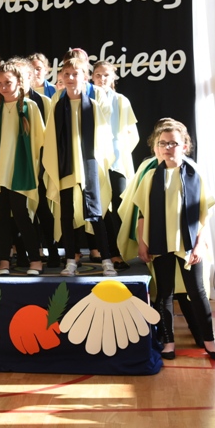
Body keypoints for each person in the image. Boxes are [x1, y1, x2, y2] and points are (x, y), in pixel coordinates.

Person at [133, 119, 215, 361]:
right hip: (160, 242)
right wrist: (142, 242)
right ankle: (168, 342)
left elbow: (203, 216)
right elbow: (142, 214)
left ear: (184, 146)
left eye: (173, 143)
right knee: (164, 294)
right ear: (157, 146)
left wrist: (199, 244)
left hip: (189, 245)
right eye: (163, 143)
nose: (167, 147)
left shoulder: (195, 175)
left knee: (197, 292)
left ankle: (210, 341)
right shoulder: (150, 177)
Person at [42, 57, 116, 276]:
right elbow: (51, 137)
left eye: (75, 74)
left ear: (85, 77)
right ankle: (70, 261)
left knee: (95, 212)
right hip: (66, 165)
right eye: (67, 74)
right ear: (61, 77)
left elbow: (103, 137)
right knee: (66, 214)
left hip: (88, 165)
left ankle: (106, 259)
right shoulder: (57, 106)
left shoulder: (92, 105)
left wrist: (98, 164)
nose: (71, 78)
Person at [0, 61, 46, 275]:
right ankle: (4, 260)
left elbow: (39, 141)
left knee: (22, 215)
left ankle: (35, 261)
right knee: (1, 217)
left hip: (19, 172)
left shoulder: (30, 107)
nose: (3, 87)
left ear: (19, 82)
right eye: (0, 83)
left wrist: (34, 169)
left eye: (8, 82)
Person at [92, 60, 139, 270]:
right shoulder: (86, 98)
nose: (102, 79)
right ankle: (109, 252)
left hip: (117, 161)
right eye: (98, 75)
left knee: (119, 206)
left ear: (113, 78)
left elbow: (131, 134)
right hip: (94, 162)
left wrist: (120, 153)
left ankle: (122, 251)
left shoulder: (121, 101)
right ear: (92, 77)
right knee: (99, 208)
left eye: (106, 75)